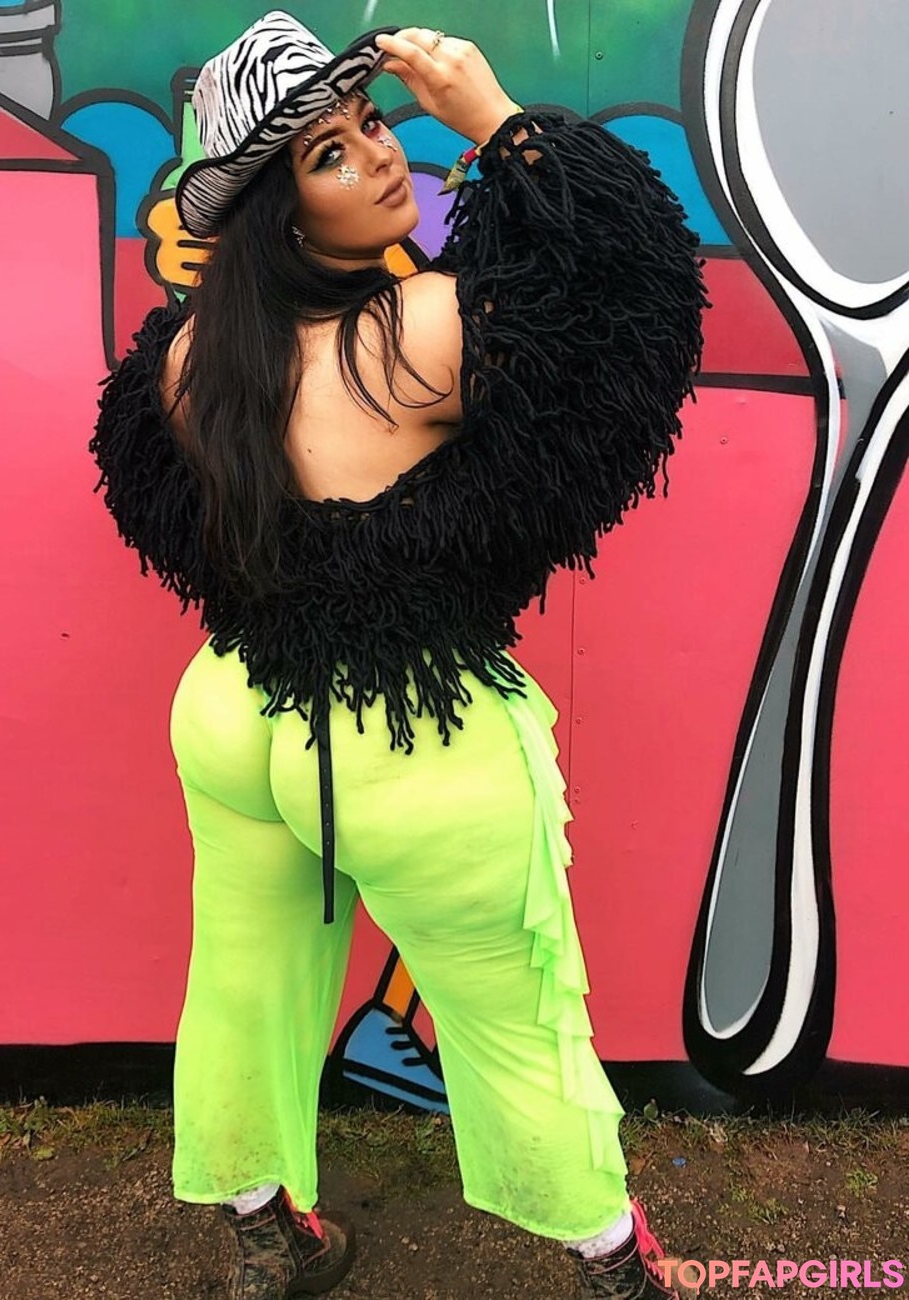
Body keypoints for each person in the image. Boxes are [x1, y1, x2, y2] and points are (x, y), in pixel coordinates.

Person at [89, 11, 706, 1299]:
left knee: (242, 979)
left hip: (237, 710)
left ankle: (269, 1233)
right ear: (278, 212)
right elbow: (631, 303)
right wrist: (501, 127)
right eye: (329, 152)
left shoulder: (190, 357)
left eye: (372, 125)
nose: (377, 154)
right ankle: (619, 1267)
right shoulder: (422, 327)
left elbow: (164, 504)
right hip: (413, 732)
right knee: (518, 1011)